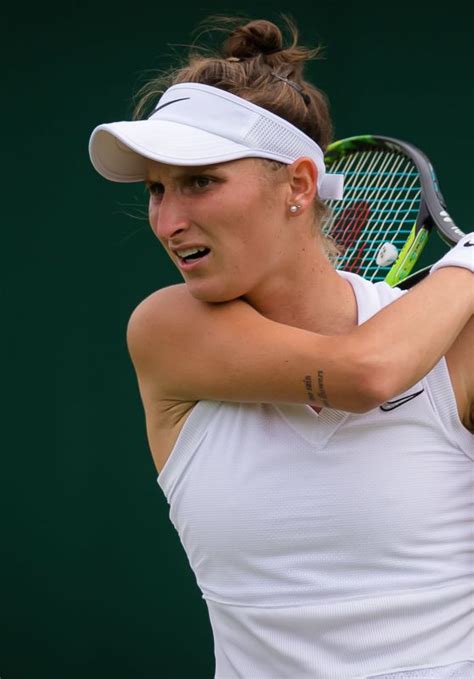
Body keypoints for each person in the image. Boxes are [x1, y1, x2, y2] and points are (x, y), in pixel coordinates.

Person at [89, 18, 473, 679]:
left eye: (198, 180)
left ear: (299, 185)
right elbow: (368, 370)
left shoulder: (457, 339)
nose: (167, 221)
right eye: (156, 189)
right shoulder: (166, 330)